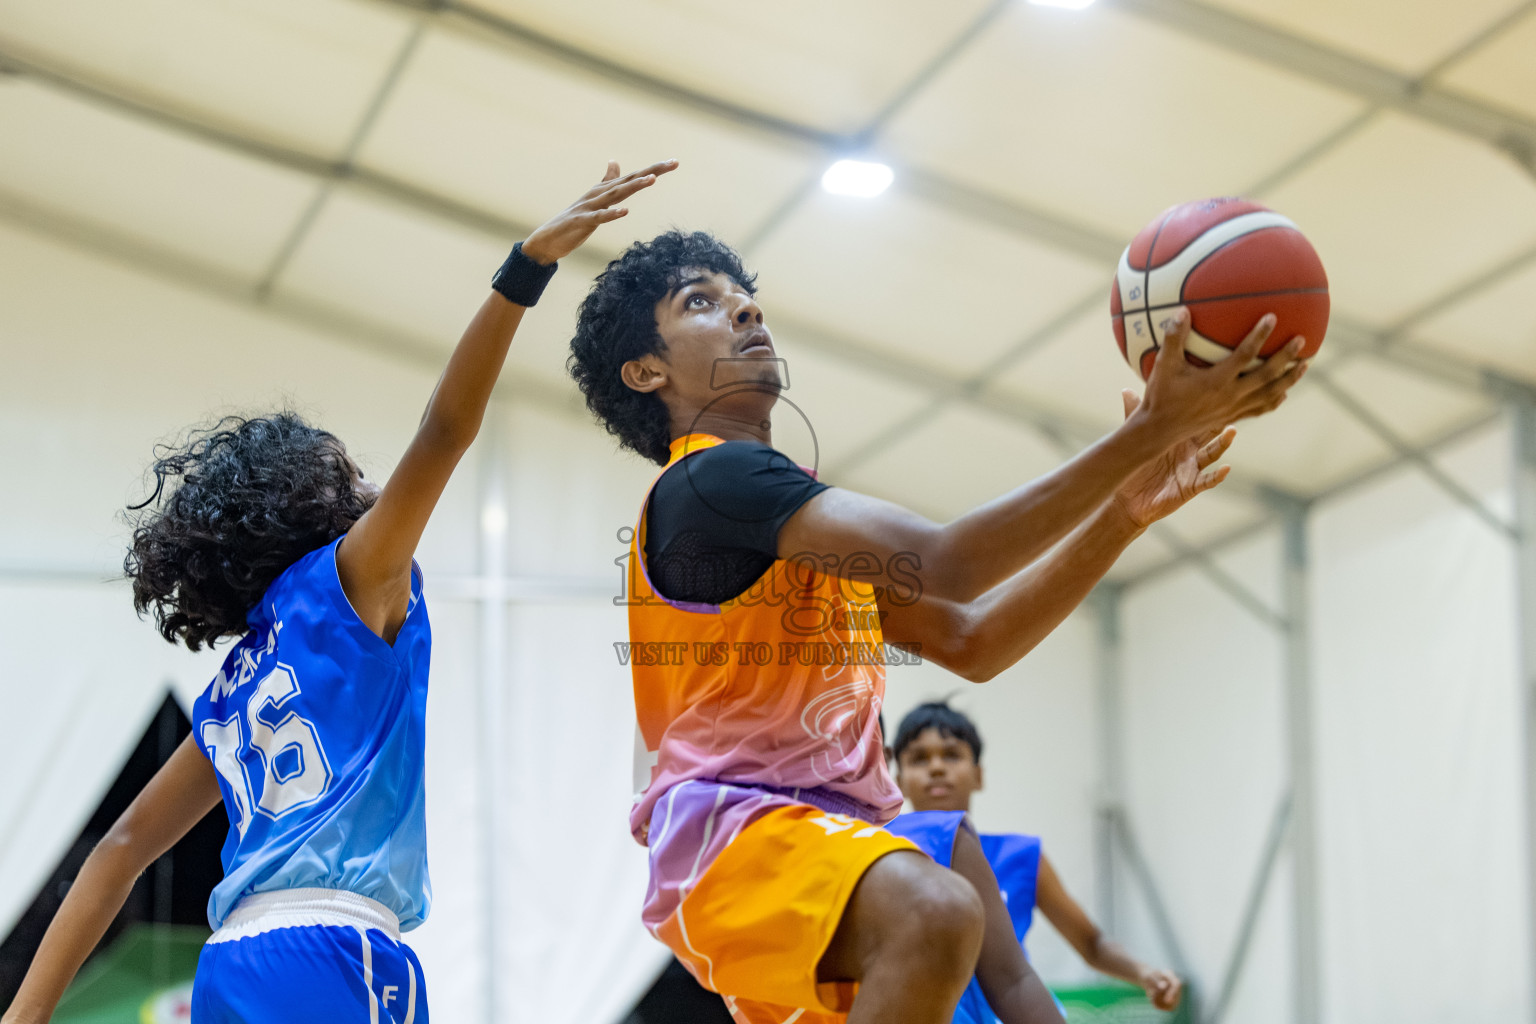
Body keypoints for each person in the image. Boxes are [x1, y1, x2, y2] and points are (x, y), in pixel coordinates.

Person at [567, 220, 1305, 1024]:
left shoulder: (794, 521)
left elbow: (971, 640)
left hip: (842, 840)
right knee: (938, 908)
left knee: (962, 909)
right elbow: (953, 560)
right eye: (703, 302)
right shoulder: (713, 478)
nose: (747, 314)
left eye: (750, 301)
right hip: (736, 838)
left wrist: (1121, 517)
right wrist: (1145, 432)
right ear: (644, 370)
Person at [0, 159, 677, 1024]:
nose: (370, 487)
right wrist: (524, 270)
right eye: (351, 474)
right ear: (313, 507)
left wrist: (23, 1016)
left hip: (229, 964)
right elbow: (444, 432)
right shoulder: (348, 584)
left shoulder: (234, 687)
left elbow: (121, 848)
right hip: (332, 948)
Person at [889, 701, 1183, 1021]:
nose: (936, 767)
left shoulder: (1020, 855)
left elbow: (1091, 943)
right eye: (919, 758)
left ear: (978, 775)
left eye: (951, 755)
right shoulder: (886, 858)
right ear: (898, 780)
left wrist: (1144, 974)